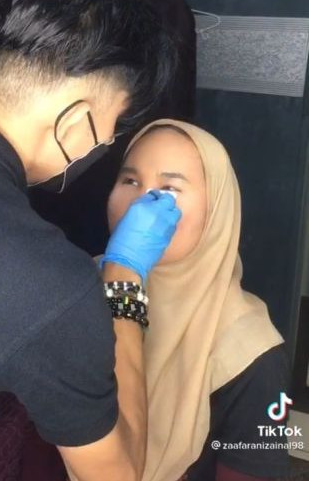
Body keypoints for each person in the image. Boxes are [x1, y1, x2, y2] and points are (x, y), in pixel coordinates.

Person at [0, 0, 182, 480]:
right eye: (112, 127)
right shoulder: (48, 288)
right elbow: (116, 474)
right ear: (76, 119)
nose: (105, 144)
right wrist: (123, 279)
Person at [107, 120, 289, 481]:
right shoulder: (77, 287)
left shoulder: (253, 353)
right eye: (129, 181)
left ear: (215, 210)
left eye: (169, 189)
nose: (142, 205)